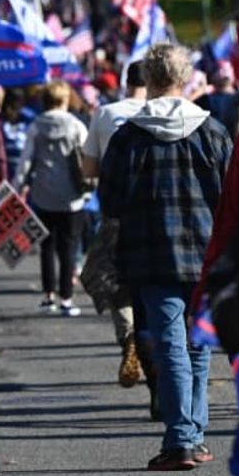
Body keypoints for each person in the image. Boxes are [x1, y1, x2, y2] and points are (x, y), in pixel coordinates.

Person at [99, 43, 232, 471]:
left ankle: (181, 439)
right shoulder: (213, 132)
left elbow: (110, 200)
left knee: (171, 344)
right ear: (185, 78)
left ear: (150, 79)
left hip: (151, 251)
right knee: (196, 346)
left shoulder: (130, 135)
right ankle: (193, 432)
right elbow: (230, 195)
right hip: (207, 250)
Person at [80, 61, 154, 400]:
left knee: (111, 280)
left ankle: (129, 336)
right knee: (155, 284)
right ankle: (153, 347)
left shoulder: (106, 113)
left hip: (115, 211)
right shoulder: (162, 112)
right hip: (158, 210)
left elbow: (89, 168)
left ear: (126, 82)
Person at [12, 81, 89, 317]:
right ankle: (66, 298)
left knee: (47, 246)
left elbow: (26, 160)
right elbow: (86, 158)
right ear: (65, 100)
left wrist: (17, 187)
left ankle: (48, 297)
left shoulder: (36, 126)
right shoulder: (76, 125)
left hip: (43, 193)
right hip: (71, 197)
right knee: (69, 247)